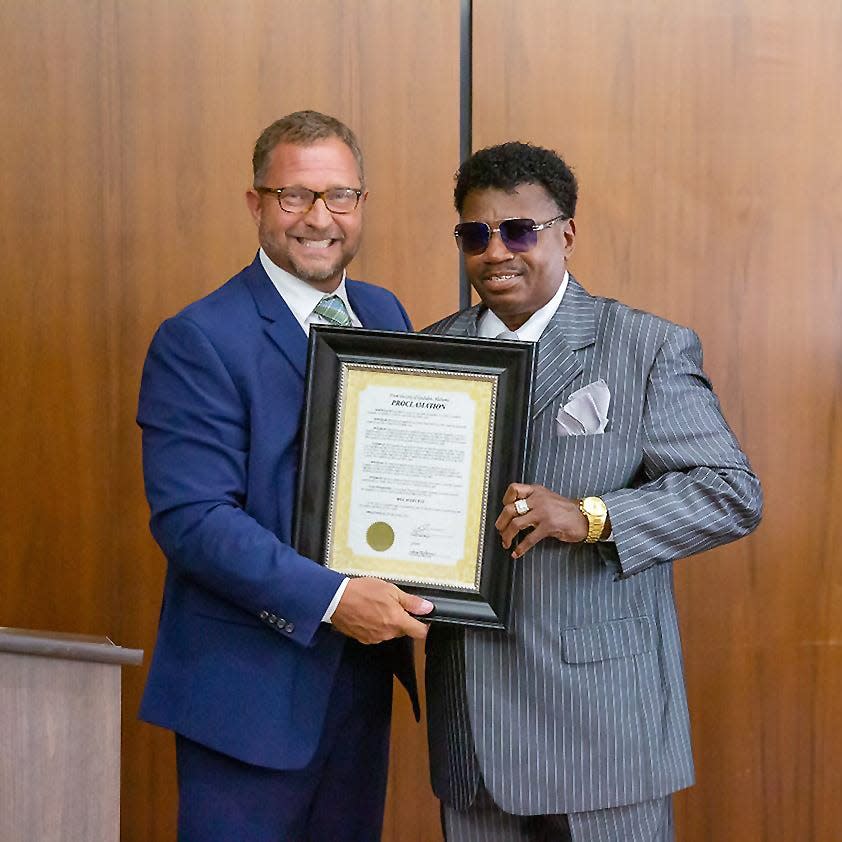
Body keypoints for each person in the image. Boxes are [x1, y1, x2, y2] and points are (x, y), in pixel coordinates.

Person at [423, 141, 762, 842]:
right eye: (475, 234)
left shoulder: (645, 347)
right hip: (474, 729)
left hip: (605, 726)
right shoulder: (429, 355)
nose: (497, 252)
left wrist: (590, 515)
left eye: (520, 230)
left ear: (566, 233)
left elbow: (732, 493)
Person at [137, 110, 432, 842]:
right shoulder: (198, 337)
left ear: (361, 205)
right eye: (294, 195)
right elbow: (193, 520)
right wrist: (333, 599)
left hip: (359, 682)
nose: (318, 217)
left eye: (339, 196)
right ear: (256, 203)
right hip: (245, 694)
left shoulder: (382, 310)